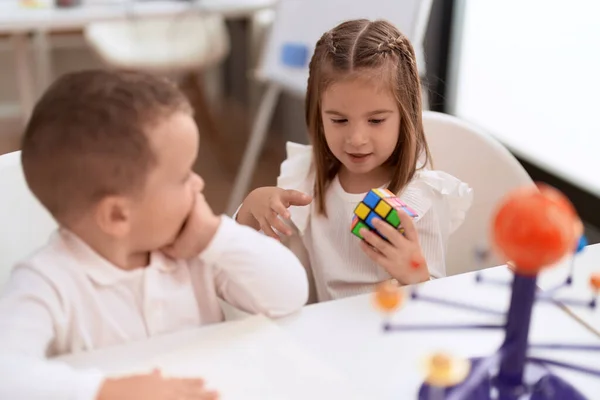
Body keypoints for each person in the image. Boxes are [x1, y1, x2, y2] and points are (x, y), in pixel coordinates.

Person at [0, 70, 309, 400]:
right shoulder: (47, 282)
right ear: (118, 215)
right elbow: (7, 375)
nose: (199, 184)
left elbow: (289, 295)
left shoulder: (199, 246)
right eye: (182, 177)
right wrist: (107, 391)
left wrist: (217, 237)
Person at [236, 19, 473, 302]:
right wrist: (249, 211)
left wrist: (416, 274)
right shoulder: (306, 180)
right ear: (318, 113)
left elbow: (434, 306)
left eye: (375, 120)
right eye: (339, 120)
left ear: (405, 115)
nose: (356, 138)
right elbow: (254, 262)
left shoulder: (421, 199)